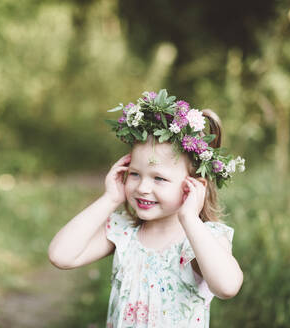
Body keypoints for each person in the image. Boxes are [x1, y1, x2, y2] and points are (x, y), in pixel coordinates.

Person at [48, 90, 245, 327]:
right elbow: (61, 255)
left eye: (159, 178)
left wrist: (190, 218)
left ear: (193, 187)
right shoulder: (125, 233)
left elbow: (227, 286)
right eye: (134, 174)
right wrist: (110, 198)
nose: (142, 187)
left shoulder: (201, 240)